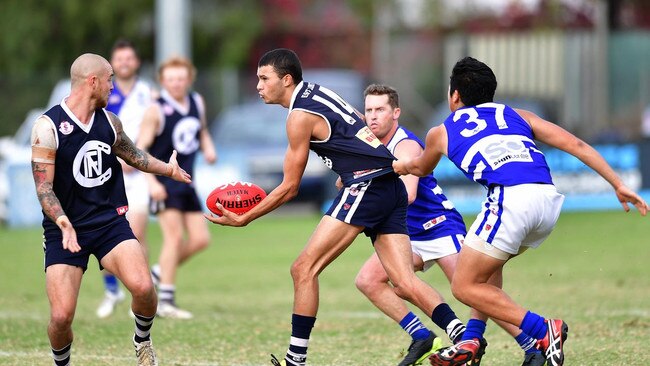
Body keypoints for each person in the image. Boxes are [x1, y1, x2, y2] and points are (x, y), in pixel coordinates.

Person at [206, 48, 459, 366]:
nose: (257, 85)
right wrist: (349, 171)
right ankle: (462, 337)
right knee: (404, 280)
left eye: (263, 78)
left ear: (286, 80)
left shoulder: (299, 115)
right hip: (387, 184)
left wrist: (245, 217)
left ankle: (295, 360)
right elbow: (355, 137)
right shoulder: (318, 92)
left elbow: (289, 187)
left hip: (367, 186)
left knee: (303, 269)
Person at [393, 56, 649, 366]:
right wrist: (617, 184)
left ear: (454, 95)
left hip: (510, 201)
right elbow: (576, 145)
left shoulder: (441, 132)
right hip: (547, 200)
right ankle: (472, 339)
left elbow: (419, 167)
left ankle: (544, 329)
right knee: (486, 269)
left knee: (463, 285)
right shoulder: (516, 114)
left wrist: (397, 165)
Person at [357, 84, 547, 366]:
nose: (373, 116)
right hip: (409, 234)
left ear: (395, 113)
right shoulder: (371, 145)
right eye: (369, 110)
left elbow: (406, 195)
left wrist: (363, 194)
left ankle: (532, 344)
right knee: (369, 280)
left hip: (440, 227)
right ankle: (424, 336)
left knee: (477, 294)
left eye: (380, 109)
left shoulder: (404, 144)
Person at [31, 53, 191, 366]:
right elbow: (43, 187)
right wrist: (62, 220)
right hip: (65, 230)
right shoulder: (47, 126)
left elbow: (133, 155)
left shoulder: (109, 122)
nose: (113, 88)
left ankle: (142, 341)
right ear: (93, 82)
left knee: (144, 288)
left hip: (109, 223)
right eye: (109, 80)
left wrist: (167, 170)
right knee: (62, 317)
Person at [137, 56, 217, 319]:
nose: (176, 83)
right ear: (163, 81)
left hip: (187, 182)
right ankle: (165, 301)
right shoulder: (156, 110)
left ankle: (159, 273)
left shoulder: (197, 101)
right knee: (174, 238)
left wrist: (208, 148)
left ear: (189, 78)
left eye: (181, 78)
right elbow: (139, 150)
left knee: (201, 239)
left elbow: (201, 130)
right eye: (171, 79)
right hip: (163, 183)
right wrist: (151, 182)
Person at [96, 39, 156, 319]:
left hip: (137, 172)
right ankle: (112, 291)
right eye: (119, 59)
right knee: (106, 235)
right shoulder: (102, 93)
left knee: (137, 233)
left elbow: (151, 125)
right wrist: (118, 158)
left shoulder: (147, 93)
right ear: (111, 63)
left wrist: (134, 155)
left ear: (136, 62)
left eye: (128, 59)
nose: (124, 64)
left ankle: (139, 291)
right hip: (108, 172)